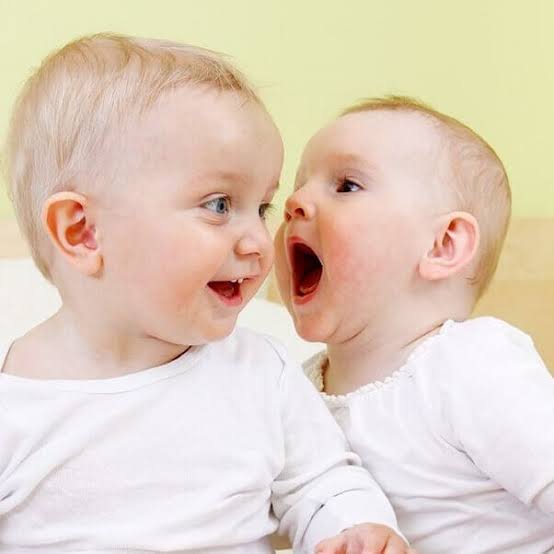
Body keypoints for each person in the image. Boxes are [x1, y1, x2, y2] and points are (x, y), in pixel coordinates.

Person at [0, 35, 412, 554]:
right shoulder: (16, 406)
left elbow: (322, 483)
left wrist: (354, 529)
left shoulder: (259, 373)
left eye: (261, 208)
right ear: (83, 232)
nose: (259, 240)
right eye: (219, 205)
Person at [275, 96, 554, 553]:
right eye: (299, 184)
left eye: (346, 185)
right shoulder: (291, 392)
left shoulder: (469, 364)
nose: (294, 202)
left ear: (442, 245)